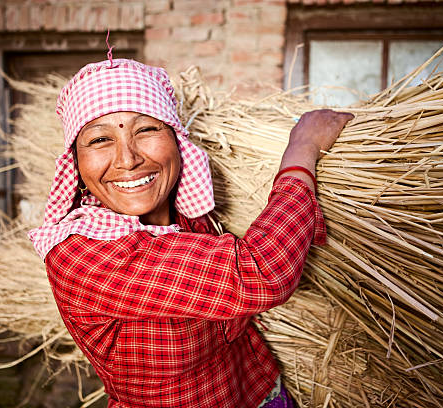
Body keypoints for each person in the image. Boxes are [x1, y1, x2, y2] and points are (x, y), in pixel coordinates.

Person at [29, 58, 352, 408]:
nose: (127, 159)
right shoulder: (83, 256)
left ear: (176, 140)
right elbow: (260, 273)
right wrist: (303, 147)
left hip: (262, 392)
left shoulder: (189, 213)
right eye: (100, 139)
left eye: (147, 130)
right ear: (75, 162)